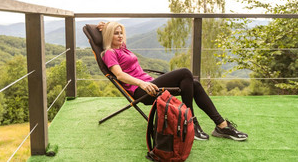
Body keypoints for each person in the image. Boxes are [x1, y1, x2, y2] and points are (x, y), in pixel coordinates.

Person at [97, 21, 248, 141]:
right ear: (109, 36)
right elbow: (120, 75)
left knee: (194, 83)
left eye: (121, 33)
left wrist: (105, 26)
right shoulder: (109, 53)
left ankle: (221, 125)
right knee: (185, 72)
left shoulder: (122, 48)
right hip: (142, 91)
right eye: (115, 34)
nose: (119, 36)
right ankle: (190, 122)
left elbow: (113, 35)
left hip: (150, 83)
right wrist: (142, 83)